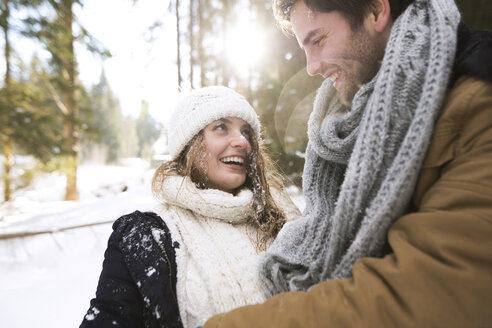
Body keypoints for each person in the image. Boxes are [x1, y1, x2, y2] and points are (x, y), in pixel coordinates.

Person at [202, 0, 492, 327]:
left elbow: (436, 294)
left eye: (318, 39)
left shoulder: (477, 101)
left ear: (375, 11)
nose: (311, 67)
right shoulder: (355, 125)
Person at [80, 86, 300, 328]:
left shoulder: (283, 217)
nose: (242, 141)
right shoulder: (145, 237)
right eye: (221, 127)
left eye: (246, 131)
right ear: (189, 144)